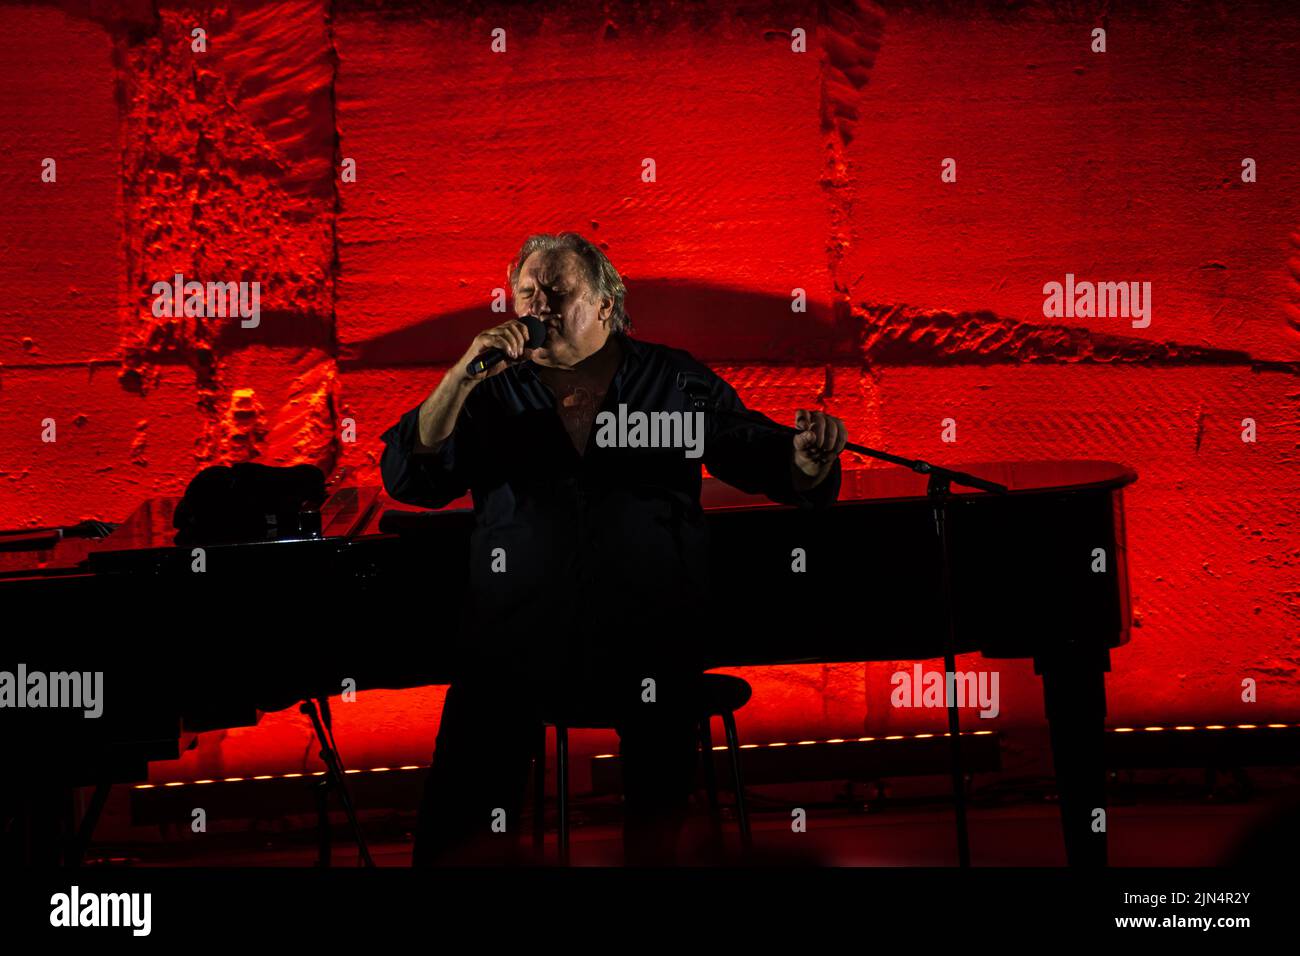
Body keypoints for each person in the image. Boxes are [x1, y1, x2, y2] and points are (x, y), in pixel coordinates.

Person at [380, 232, 845, 864]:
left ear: (606, 302)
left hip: (649, 639)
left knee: (661, 812)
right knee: (464, 804)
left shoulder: (673, 381)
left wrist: (808, 459)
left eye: (557, 291)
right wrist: (461, 374)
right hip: (515, 644)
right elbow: (412, 476)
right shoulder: (488, 391)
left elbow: (771, 462)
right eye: (525, 293)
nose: (538, 304)